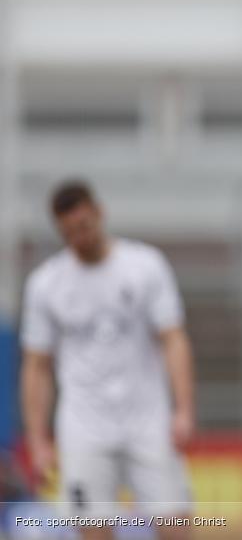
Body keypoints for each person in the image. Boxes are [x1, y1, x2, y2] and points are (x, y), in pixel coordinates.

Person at [20, 181, 195, 540]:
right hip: (85, 425)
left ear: (99, 214)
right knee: (93, 530)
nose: (79, 238)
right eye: (69, 232)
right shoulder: (46, 285)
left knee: (176, 524)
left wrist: (183, 409)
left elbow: (173, 340)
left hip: (147, 419)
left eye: (84, 226)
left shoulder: (145, 266)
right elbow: (37, 366)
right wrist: (38, 440)